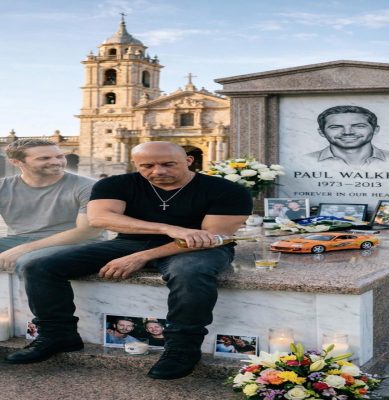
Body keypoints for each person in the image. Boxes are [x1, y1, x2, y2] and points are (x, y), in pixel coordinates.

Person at [5, 141, 252, 381]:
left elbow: (211, 237)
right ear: (136, 164)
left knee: (190, 273)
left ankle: (182, 348)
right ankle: (57, 335)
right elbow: (100, 219)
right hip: (129, 242)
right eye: (147, 166)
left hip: (197, 249)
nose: (158, 171)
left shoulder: (227, 190)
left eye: (168, 164)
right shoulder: (116, 184)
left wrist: (141, 256)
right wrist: (167, 228)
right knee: (38, 264)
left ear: (188, 160)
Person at [0, 139, 104, 272]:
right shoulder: (3, 187)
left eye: (60, 156)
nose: (56, 162)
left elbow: (88, 231)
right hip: (17, 240)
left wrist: (23, 249)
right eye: (44, 158)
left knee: (31, 263)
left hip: (76, 243)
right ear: (16, 162)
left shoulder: (90, 186)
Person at [306, 105, 389, 166]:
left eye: (359, 126)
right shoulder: (306, 160)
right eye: (336, 127)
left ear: (375, 130)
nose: (347, 132)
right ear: (321, 132)